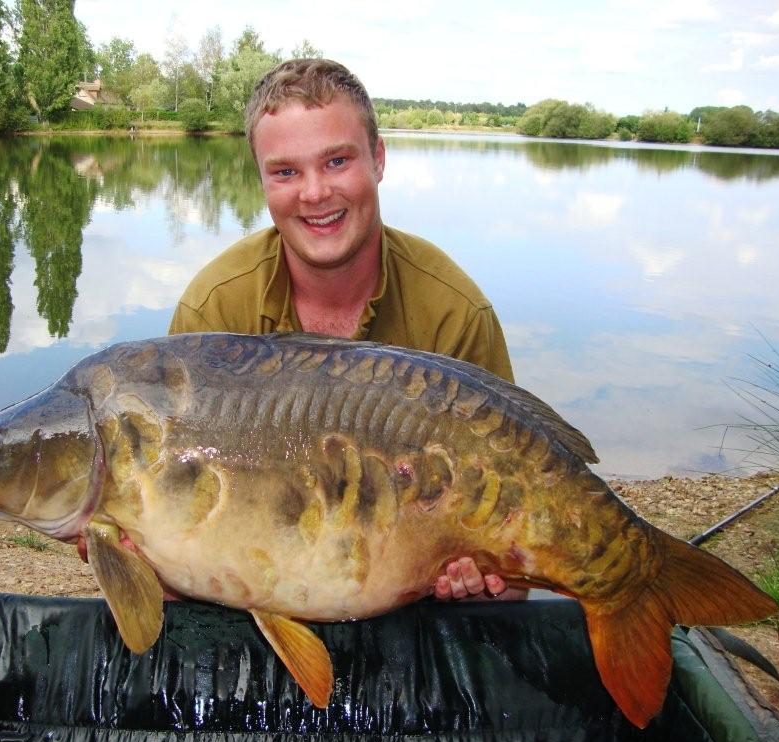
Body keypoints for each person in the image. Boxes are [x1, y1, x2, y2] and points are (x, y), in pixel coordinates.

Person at [169, 58, 522, 601]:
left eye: (336, 161)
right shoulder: (213, 311)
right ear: (261, 179)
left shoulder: (455, 313)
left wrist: (492, 586)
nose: (313, 193)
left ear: (378, 159)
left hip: (415, 615)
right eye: (285, 171)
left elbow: (515, 565)